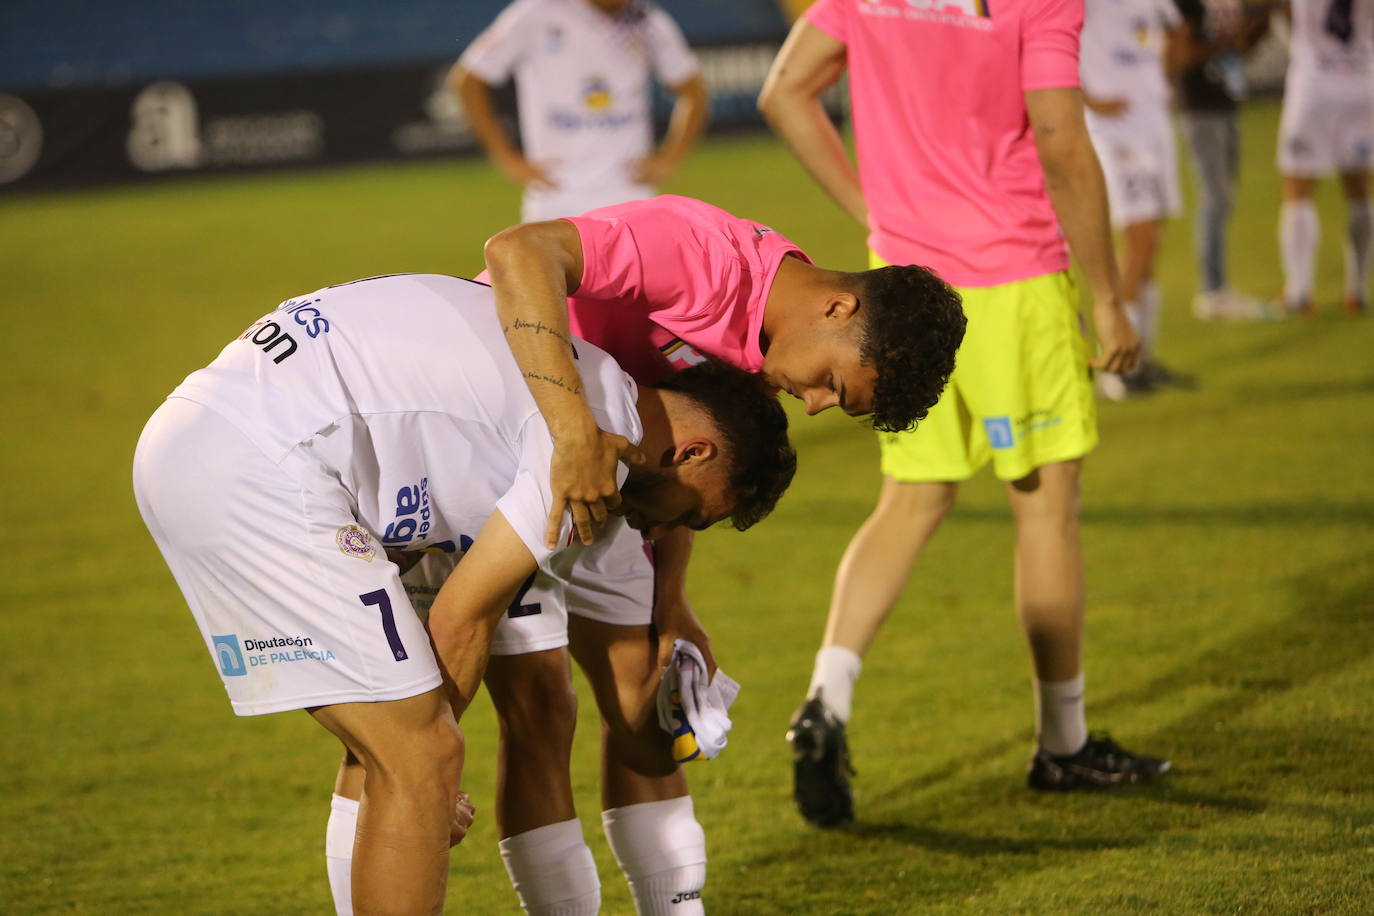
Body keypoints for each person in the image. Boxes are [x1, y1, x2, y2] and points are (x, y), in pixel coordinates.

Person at [321, 195, 964, 914]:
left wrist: (672, 600)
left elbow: (691, 451)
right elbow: (519, 252)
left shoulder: (770, 338)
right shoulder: (704, 254)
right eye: (833, 386)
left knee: (645, 713)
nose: (813, 405)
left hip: (619, 478)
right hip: (498, 449)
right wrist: (572, 435)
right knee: (519, 711)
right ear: (839, 310)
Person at [132, 271, 797, 915]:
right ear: (698, 452)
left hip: (216, 432)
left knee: (401, 753)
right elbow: (461, 616)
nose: (668, 531)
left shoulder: (594, 409)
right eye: (695, 516)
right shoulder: (584, 444)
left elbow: (633, 726)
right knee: (419, 757)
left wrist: (683, 709)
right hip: (261, 463)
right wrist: (423, 781)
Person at [758, 0, 1170, 827]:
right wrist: (1108, 295)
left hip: (906, 283)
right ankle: (1063, 742)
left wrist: (875, 210)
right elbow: (1058, 140)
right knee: (1045, 508)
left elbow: (783, 92)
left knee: (909, 503)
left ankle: (826, 698)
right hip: (1014, 277)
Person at [450, 0, 709, 222]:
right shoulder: (537, 12)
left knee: (644, 282)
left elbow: (693, 92)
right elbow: (468, 81)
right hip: (556, 197)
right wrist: (505, 157)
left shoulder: (648, 21)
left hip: (630, 196)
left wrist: (670, 158)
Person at [1081, 0, 1192, 398]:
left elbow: (1179, 30)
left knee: (1151, 246)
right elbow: (1044, 37)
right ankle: (1118, 369)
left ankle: (1141, 357)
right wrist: (1087, 98)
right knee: (1139, 242)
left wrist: (1165, 81)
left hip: (1154, 127)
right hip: (1115, 134)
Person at [1175, 0, 1274, 321]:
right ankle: (1212, 290)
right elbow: (1182, 55)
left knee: (1225, 197)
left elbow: (1240, 50)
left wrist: (1259, 26)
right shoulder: (1186, 3)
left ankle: (1218, 287)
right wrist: (1228, 41)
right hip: (1199, 108)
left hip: (1226, 102)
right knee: (1215, 198)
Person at [1276, 0, 1374, 315]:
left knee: (1299, 190)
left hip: (1314, 85)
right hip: (1361, 80)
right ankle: (1357, 290)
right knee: (1360, 192)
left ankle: (1299, 292)